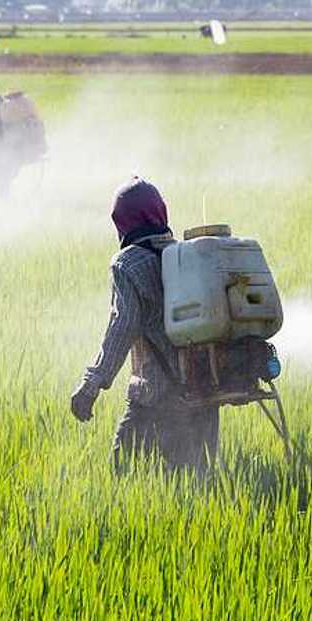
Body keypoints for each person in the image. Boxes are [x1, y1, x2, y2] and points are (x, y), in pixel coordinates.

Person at [69, 178, 220, 474]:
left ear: (122, 222)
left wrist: (91, 385)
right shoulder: (186, 255)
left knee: (123, 471)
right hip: (205, 388)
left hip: (156, 395)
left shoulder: (127, 264)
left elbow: (121, 328)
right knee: (198, 482)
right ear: (159, 213)